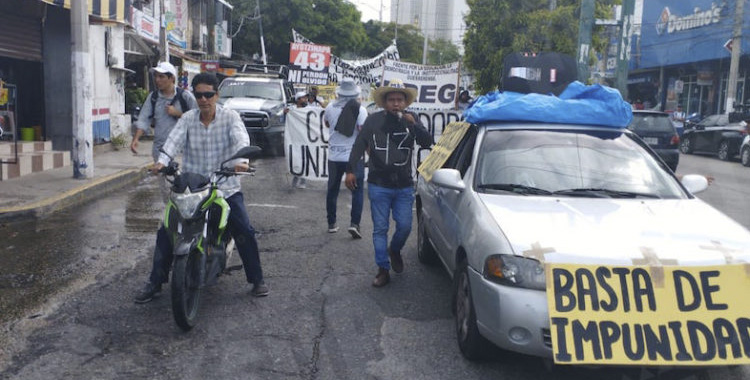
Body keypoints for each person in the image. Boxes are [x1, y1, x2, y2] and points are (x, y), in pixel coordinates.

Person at [135, 73, 268, 303]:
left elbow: (240, 140)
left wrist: (241, 163)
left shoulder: (230, 117)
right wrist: (162, 163)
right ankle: (154, 283)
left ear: (216, 95)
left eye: (208, 94)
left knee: (244, 229)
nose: (204, 99)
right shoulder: (187, 118)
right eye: (199, 95)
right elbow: (172, 142)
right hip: (192, 188)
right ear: (194, 96)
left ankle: (257, 280)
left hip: (224, 186)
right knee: (167, 230)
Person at [345, 79, 433, 287]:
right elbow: (360, 144)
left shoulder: (412, 120)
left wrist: (414, 125)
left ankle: (395, 250)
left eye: (399, 100)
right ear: (384, 103)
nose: (396, 104)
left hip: (403, 185)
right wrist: (350, 170)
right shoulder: (373, 121)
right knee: (380, 228)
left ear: (405, 102)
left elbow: (427, 142)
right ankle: (383, 269)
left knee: (404, 226)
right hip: (378, 184)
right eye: (391, 100)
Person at [324, 78, 368, 237]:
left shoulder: (329, 107)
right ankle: (354, 224)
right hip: (353, 157)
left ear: (340, 92)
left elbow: (327, 124)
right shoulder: (361, 110)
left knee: (332, 190)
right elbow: (363, 132)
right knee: (357, 192)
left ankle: (331, 223)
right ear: (355, 93)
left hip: (334, 156)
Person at [130, 61, 197, 160]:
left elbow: (198, 118)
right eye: (156, 76)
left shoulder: (185, 96)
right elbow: (144, 119)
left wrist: (178, 113)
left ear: (172, 78)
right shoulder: (153, 97)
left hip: (182, 149)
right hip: (160, 149)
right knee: (161, 175)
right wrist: (136, 139)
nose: (157, 80)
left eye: (161, 77)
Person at [286, 91, 309, 189]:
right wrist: (285, 112)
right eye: (303, 98)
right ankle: (296, 179)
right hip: (295, 138)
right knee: (296, 159)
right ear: (298, 100)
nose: (305, 100)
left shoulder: (309, 110)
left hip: (305, 138)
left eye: (306, 98)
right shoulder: (292, 109)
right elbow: (281, 114)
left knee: (305, 159)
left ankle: (303, 180)